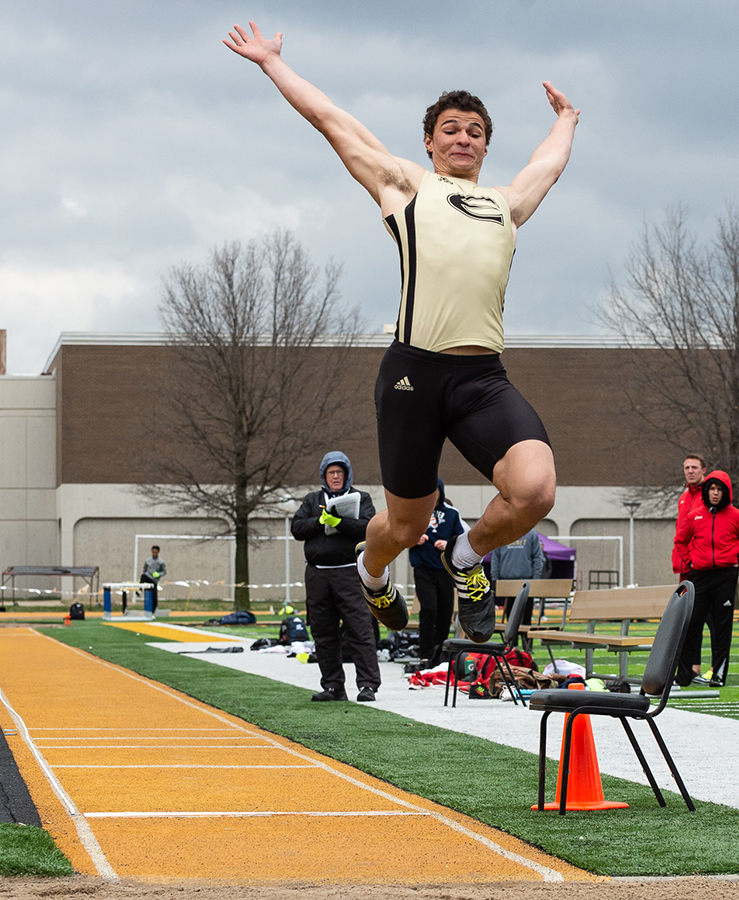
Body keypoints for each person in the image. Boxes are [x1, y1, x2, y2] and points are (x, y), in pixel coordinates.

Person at [226, 23, 578, 647]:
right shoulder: (406, 186)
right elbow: (332, 120)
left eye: (475, 131)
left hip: (482, 378)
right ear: (430, 141)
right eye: (451, 128)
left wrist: (568, 119)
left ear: (486, 147)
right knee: (407, 526)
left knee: (536, 490)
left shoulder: (506, 204)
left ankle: (467, 558)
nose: (463, 137)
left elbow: (547, 165)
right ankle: (371, 571)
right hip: (414, 376)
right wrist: (271, 63)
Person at [289, 452, 381, 702]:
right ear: (324, 476)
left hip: (348, 573)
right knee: (323, 631)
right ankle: (333, 686)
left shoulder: (361, 498)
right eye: (331, 472)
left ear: (347, 474)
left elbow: (368, 527)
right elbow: (297, 528)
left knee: (359, 629)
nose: (336, 476)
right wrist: (320, 522)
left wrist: (339, 522)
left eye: (340, 472)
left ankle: (368, 684)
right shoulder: (312, 500)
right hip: (318, 576)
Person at [673, 471, 739, 687]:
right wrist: (690, 561)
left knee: (722, 628)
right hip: (699, 576)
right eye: (712, 488)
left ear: (726, 492)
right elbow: (680, 541)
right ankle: (683, 676)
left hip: (725, 577)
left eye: (719, 489)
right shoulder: (695, 516)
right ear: (706, 490)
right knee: (691, 625)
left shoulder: (737, 517)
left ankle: (718, 675)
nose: (715, 493)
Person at [409, 478, 465, 668]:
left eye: (435, 491)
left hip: (444, 569)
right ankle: (424, 655)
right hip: (423, 567)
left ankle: (439, 653)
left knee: (445, 612)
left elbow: (460, 538)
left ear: (441, 492)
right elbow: (401, 535)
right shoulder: (415, 512)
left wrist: (448, 544)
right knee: (429, 608)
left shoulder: (451, 514)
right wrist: (413, 538)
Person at [672, 454, 708, 577]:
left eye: (694, 467)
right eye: (687, 468)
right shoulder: (683, 497)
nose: (690, 471)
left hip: (702, 564)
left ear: (703, 470)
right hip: (684, 562)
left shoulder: (710, 496)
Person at [140, 545, 167, 614]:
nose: (154, 553)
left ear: (158, 552)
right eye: (153, 552)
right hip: (147, 578)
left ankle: (154, 611)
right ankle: (140, 590)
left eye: (156, 552)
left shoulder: (161, 562)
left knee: (154, 596)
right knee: (143, 577)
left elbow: (164, 572)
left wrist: (158, 574)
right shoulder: (148, 560)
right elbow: (144, 570)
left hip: (154, 580)